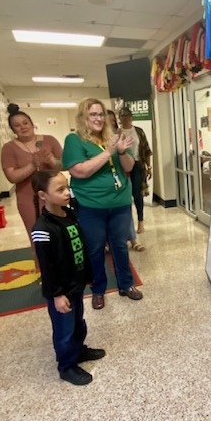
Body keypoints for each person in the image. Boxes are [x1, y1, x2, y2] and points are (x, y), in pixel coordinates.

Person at [62, 98, 142, 310]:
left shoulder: (114, 138)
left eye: (100, 114)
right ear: (83, 118)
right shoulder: (75, 140)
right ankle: (98, 290)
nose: (98, 119)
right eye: (93, 115)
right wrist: (109, 151)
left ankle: (126, 285)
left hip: (120, 202)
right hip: (91, 205)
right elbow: (79, 171)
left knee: (120, 246)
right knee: (95, 249)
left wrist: (122, 151)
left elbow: (129, 166)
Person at [31, 170, 105, 386]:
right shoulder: (43, 229)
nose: (67, 193)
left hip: (76, 283)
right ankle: (66, 366)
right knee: (64, 330)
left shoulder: (70, 214)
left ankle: (78, 351)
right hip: (61, 291)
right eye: (60, 189)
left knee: (78, 322)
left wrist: (88, 276)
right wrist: (56, 294)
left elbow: (80, 247)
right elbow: (47, 267)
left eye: (67, 187)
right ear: (43, 195)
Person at [1, 103, 63, 242]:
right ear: (13, 130)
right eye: (17, 125)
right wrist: (33, 165)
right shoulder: (9, 148)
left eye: (25, 123)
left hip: (54, 196)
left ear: (32, 124)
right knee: (39, 240)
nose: (23, 127)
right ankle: (41, 264)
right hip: (28, 199)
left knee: (60, 236)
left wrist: (51, 160)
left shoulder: (49, 140)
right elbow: (12, 177)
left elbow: (63, 166)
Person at [106, 109, 145, 252]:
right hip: (107, 179)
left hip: (125, 172)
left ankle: (133, 238)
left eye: (112, 120)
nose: (109, 123)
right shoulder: (95, 140)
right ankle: (108, 242)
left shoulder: (120, 135)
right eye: (107, 120)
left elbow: (143, 151)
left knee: (127, 202)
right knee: (108, 211)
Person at [118, 106, 152, 234]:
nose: (125, 118)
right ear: (119, 118)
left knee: (137, 194)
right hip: (122, 166)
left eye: (127, 115)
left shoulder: (138, 131)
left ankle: (141, 221)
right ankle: (127, 223)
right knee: (124, 194)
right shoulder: (117, 132)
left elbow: (147, 150)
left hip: (137, 165)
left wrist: (149, 167)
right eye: (122, 116)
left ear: (132, 117)